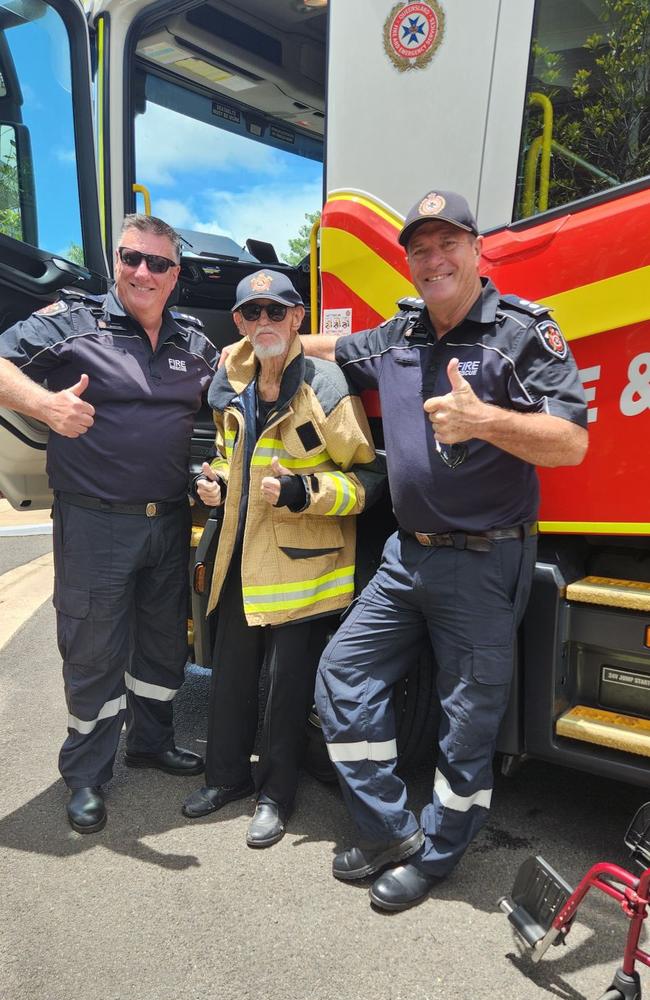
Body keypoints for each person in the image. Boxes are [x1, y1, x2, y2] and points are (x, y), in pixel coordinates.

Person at [301, 190, 589, 910]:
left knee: (467, 724)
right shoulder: (399, 334)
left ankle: (436, 859)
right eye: (419, 250)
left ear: (475, 248)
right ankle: (391, 831)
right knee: (341, 675)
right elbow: (335, 349)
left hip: (486, 560)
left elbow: (572, 441)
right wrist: (263, 342)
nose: (432, 261)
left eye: (446, 245)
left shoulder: (523, 332)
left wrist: (483, 420)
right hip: (407, 555)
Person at [0, 214, 217, 833]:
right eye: (131, 258)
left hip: (168, 519)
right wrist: (44, 404)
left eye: (158, 263)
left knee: (161, 644)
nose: (142, 272)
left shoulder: (194, 343)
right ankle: (88, 775)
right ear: (116, 262)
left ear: (176, 275)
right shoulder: (71, 324)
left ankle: (150, 742)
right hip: (95, 521)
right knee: (93, 650)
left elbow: (229, 396)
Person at [182, 269, 383, 848]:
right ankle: (225, 779)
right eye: (252, 314)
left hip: (302, 564)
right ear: (239, 323)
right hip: (241, 556)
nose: (263, 323)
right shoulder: (231, 380)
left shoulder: (325, 384)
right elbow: (227, 457)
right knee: (230, 676)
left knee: (287, 687)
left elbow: (369, 479)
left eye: (276, 312)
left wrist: (303, 493)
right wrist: (213, 481)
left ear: (299, 317)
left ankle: (274, 796)